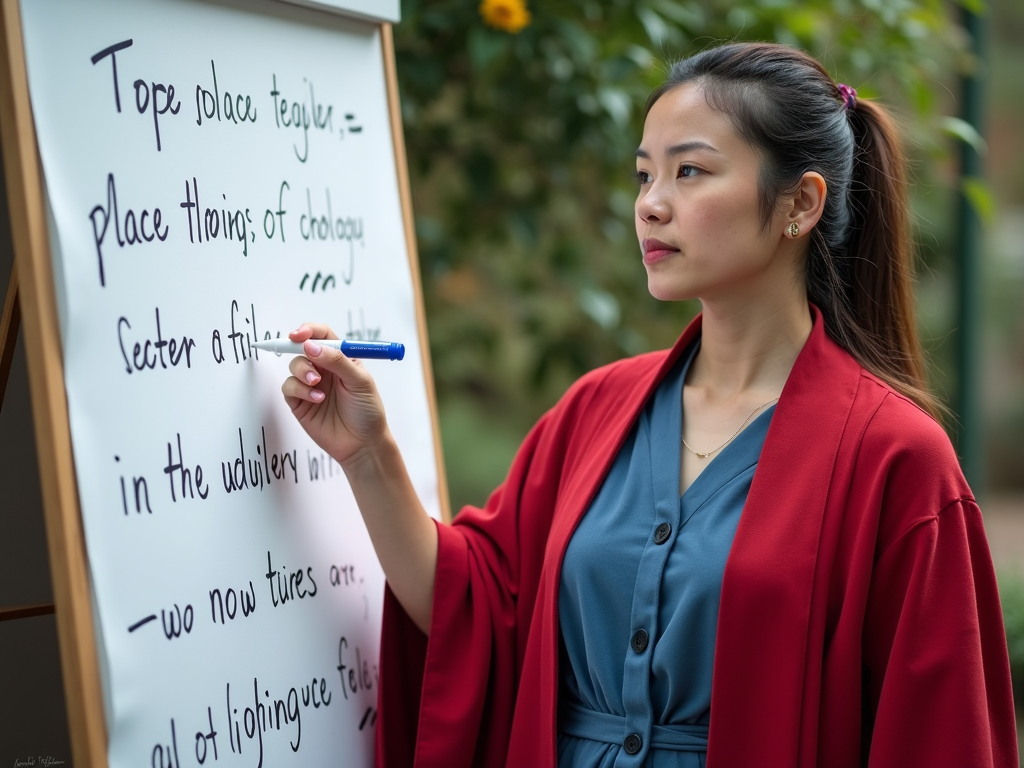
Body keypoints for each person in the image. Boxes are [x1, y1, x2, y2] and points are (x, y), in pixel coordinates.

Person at [280, 42, 1017, 768]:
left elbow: (938, 735)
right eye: (643, 176)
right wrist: (367, 453)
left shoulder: (895, 460)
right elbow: (474, 607)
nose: (650, 206)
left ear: (800, 203)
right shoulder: (596, 410)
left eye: (689, 172)